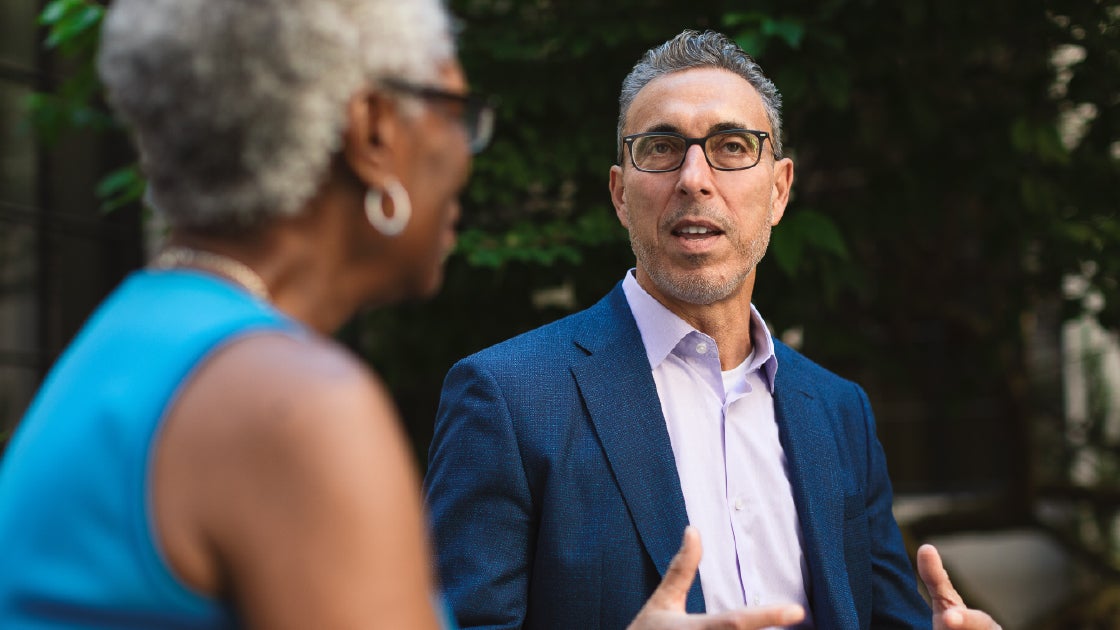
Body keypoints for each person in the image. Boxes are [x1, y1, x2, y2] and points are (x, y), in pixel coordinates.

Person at [0, 3, 809, 629]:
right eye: (458, 112)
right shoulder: (291, 405)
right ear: (375, 131)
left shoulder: (132, 339)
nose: (465, 151)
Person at [425, 29, 1002, 630]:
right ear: (621, 194)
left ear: (779, 190)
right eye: (662, 148)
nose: (694, 178)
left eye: (731, 146)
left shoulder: (839, 411)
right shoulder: (508, 398)